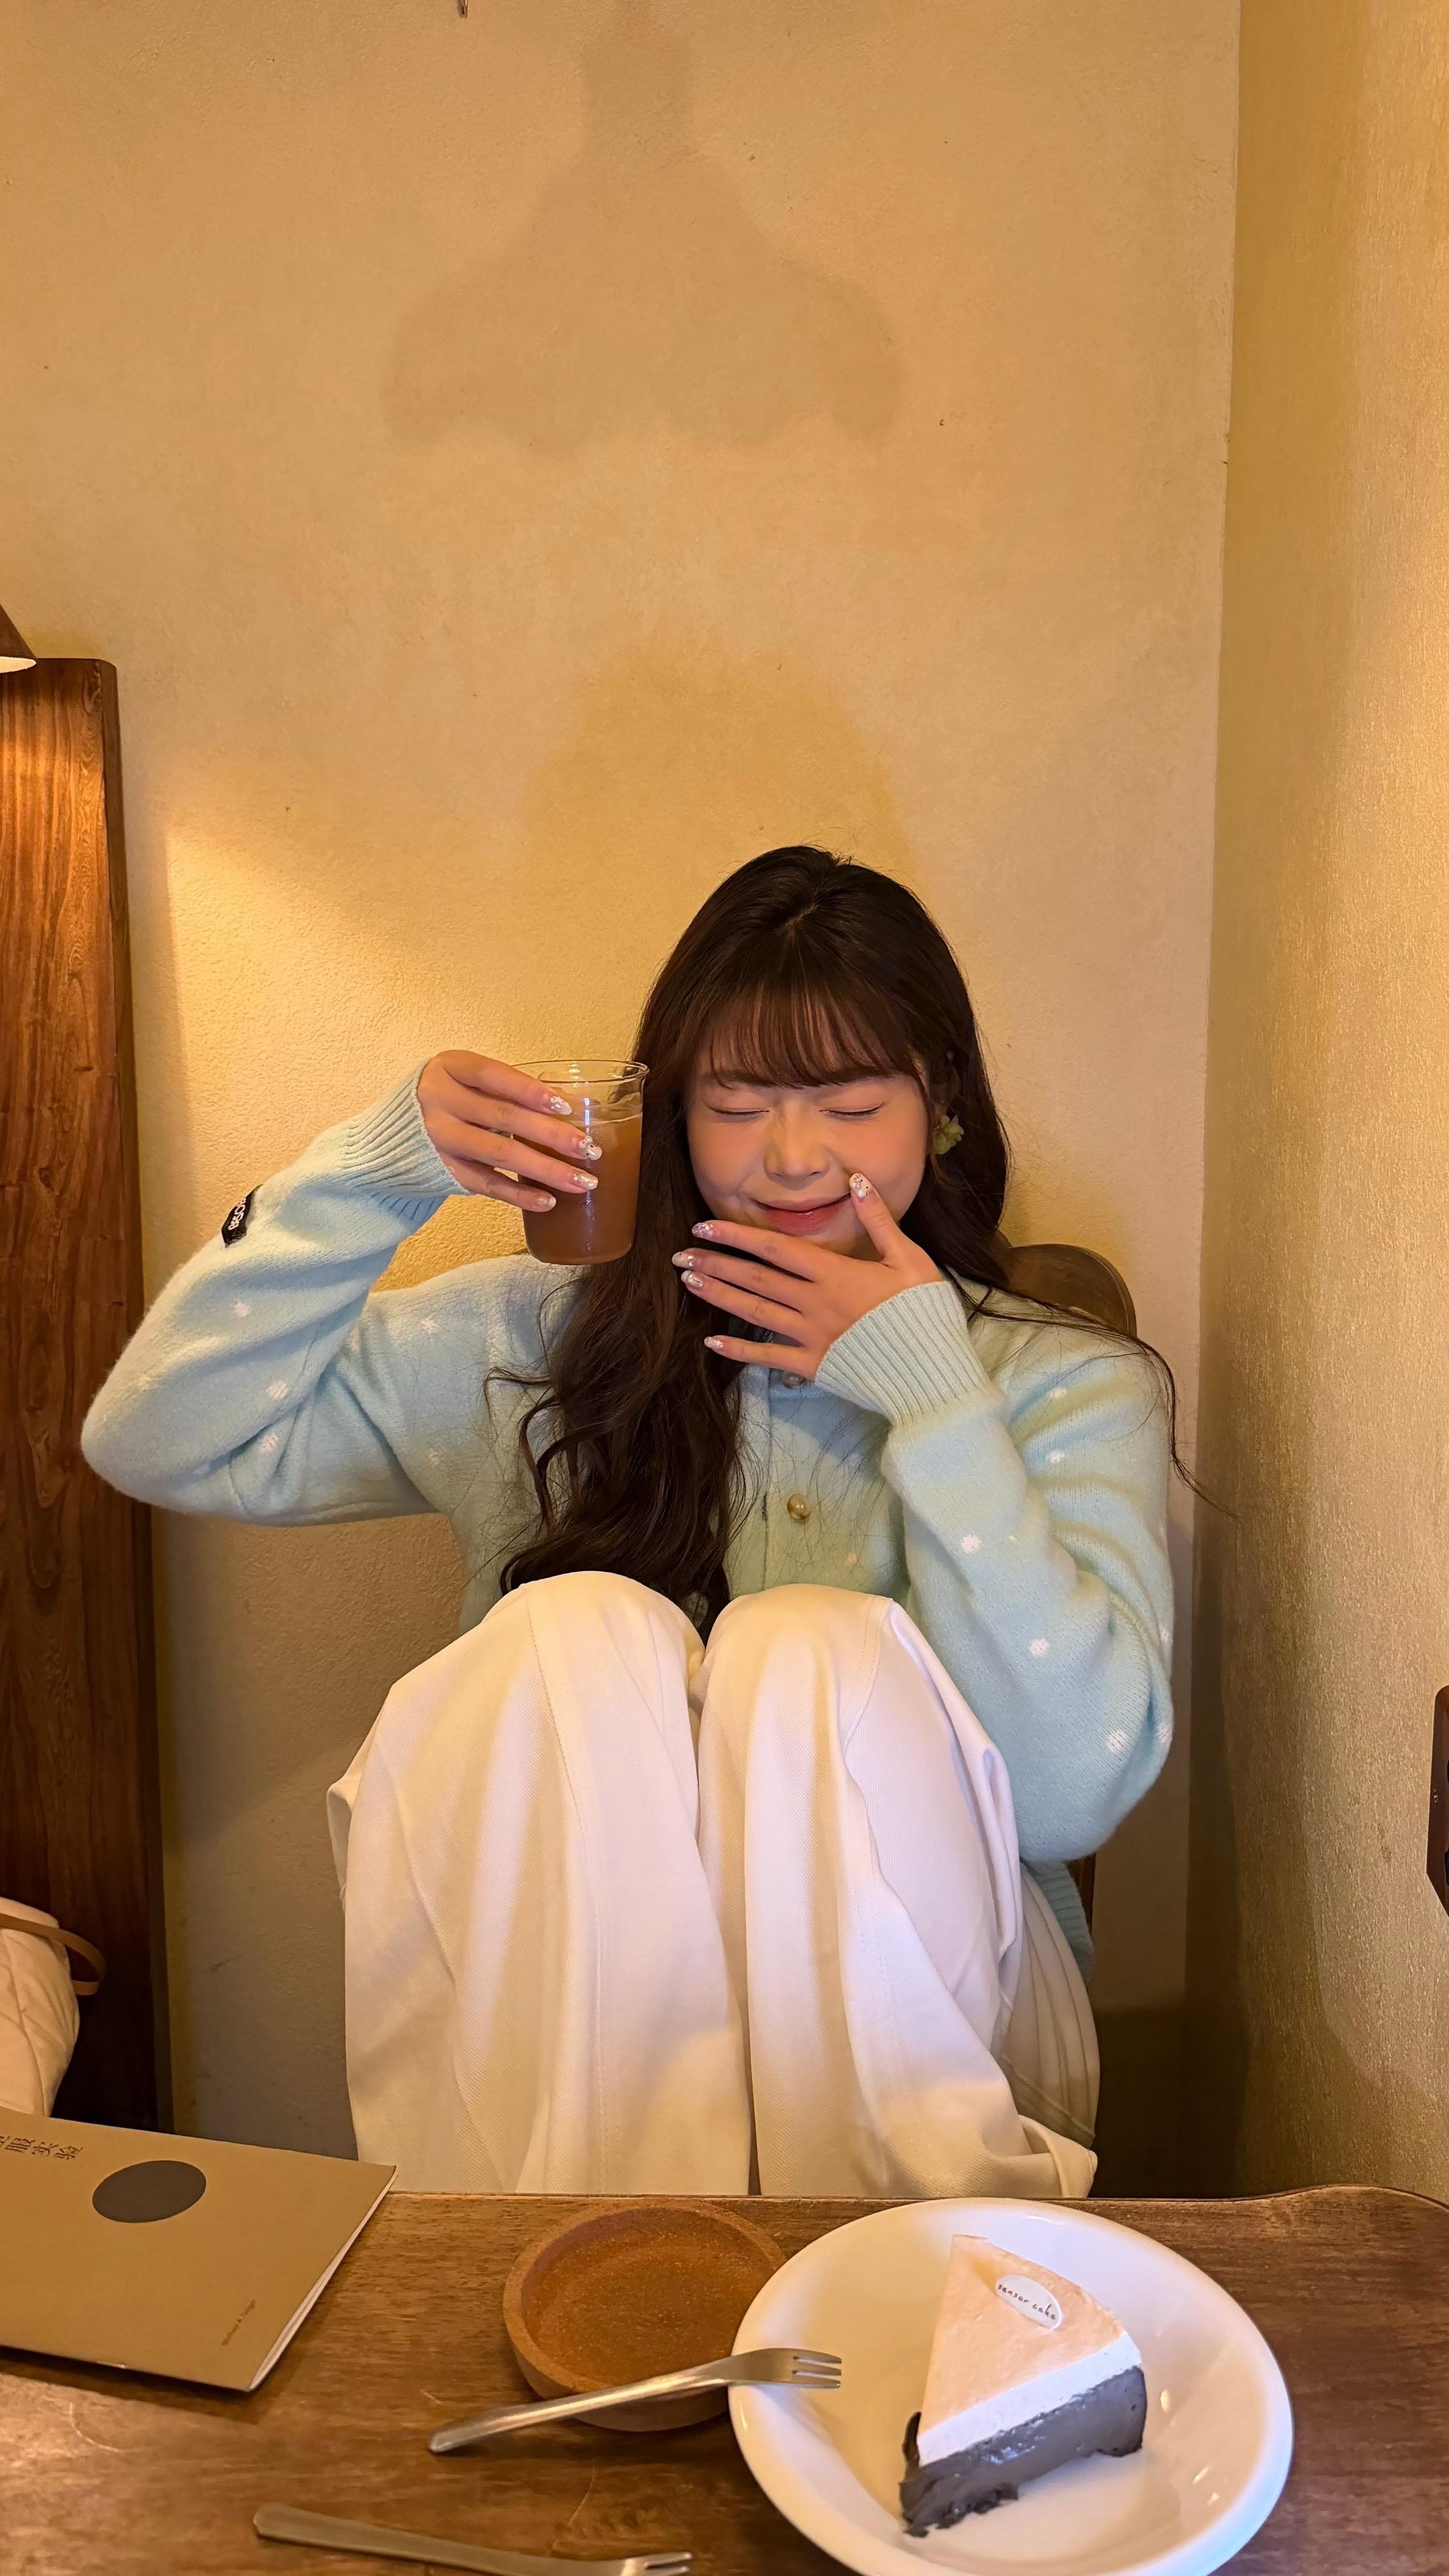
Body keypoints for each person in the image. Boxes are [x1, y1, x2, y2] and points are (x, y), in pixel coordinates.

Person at [84, 847, 1175, 2198]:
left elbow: (1068, 1796)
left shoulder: (1060, 1382)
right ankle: (582, 2267)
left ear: (940, 1105)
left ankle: (894, 2273)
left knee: (811, 1649)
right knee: (573, 1628)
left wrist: (932, 1395)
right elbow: (157, 1435)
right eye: (738, 1103)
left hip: (956, 2039)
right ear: (672, 1113)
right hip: (573, 2053)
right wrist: (375, 1175)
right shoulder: (535, 1342)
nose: (792, 1157)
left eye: (850, 1103)